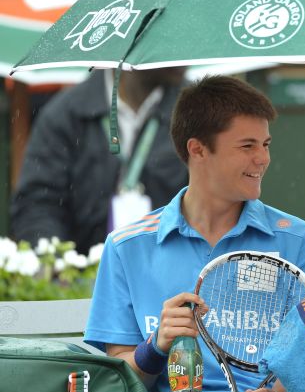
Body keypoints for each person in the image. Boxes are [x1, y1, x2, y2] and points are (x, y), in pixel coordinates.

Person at [83, 75, 305, 392]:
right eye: (247, 146)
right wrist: (155, 347)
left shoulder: (298, 240)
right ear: (197, 150)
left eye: (265, 144)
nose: (263, 158)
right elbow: (118, 380)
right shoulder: (127, 246)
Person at [11, 68, 189, 254]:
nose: (182, 50)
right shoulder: (65, 115)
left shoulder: (197, 113)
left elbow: (213, 206)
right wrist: (57, 264)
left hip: (175, 275)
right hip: (81, 274)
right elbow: (37, 204)